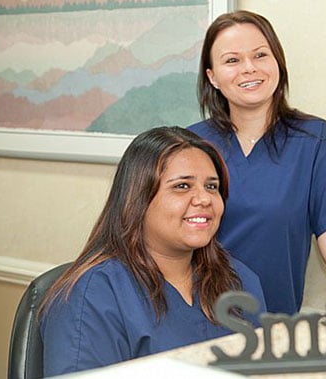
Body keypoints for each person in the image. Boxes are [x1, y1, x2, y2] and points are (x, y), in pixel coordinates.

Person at [188, 10, 326, 315]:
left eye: (260, 55)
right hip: (192, 321)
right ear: (212, 76)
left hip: (270, 329)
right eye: (232, 60)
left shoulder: (316, 142)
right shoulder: (188, 146)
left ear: (278, 63)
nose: (249, 69)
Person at [39, 126, 266, 376]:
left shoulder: (239, 279)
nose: (204, 199)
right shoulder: (91, 296)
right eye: (182, 186)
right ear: (137, 199)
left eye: (211, 187)